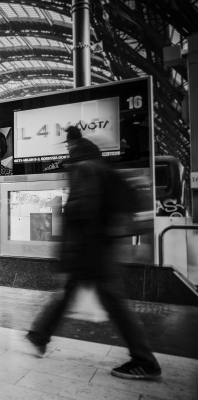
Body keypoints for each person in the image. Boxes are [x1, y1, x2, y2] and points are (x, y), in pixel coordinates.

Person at [26, 126, 162, 380]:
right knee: (77, 294)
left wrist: (68, 251)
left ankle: (145, 360)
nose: (66, 151)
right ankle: (39, 334)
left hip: (91, 250)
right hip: (100, 247)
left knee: (111, 301)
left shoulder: (84, 169)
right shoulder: (98, 166)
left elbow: (82, 213)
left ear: (73, 146)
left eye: (67, 146)